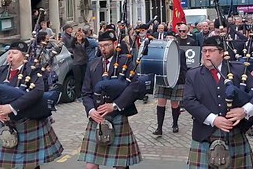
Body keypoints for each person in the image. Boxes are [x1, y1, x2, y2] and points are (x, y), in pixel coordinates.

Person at [183, 36, 253, 168]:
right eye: (204, 51)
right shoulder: (193, 75)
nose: (207, 54)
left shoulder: (239, 70)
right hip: (204, 136)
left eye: (211, 51)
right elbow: (189, 101)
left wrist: (244, 111)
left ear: (222, 53)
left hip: (234, 135)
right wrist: (213, 119)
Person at [0, 41, 63, 168]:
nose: (10, 55)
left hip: (27, 121)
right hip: (5, 123)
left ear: (24, 56)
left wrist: (11, 107)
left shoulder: (33, 70)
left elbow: (37, 91)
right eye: (9, 53)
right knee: (6, 165)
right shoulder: (0, 72)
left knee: (29, 165)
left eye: (15, 53)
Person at [78, 30, 144, 169]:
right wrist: (90, 111)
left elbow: (134, 87)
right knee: (90, 166)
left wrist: (114, 105)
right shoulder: (93, 64)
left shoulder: (125, 61)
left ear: (115, 44)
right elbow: (85, 92)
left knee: (120, 165)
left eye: (107, 45)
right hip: (97, 118)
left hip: (117, 115)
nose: (103, 49)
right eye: (101, 45)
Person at [153, 32, 188, 136]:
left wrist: (183, 80)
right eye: (167, 38)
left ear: (175, 41)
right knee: (161, 102)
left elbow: (183, 67)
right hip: (163, 79)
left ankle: (175, 124)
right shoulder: (160, 51)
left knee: (174, 104)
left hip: (176, 79)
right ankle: (159, 128)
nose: (168, 40)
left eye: (171, 38)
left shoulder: (180, 52)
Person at [70, 28, 90, 101]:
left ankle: (84, 94)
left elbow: (88, 44)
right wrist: (76, 35)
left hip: (84, 62)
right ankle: (78, 96)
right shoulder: (74, 43)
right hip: (77, 63)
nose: (79, 36)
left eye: (80, 35)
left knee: (84, 79)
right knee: (78, 80)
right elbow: (72, 44)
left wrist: (83, 35)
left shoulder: (85, 42)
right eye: (78, 35)